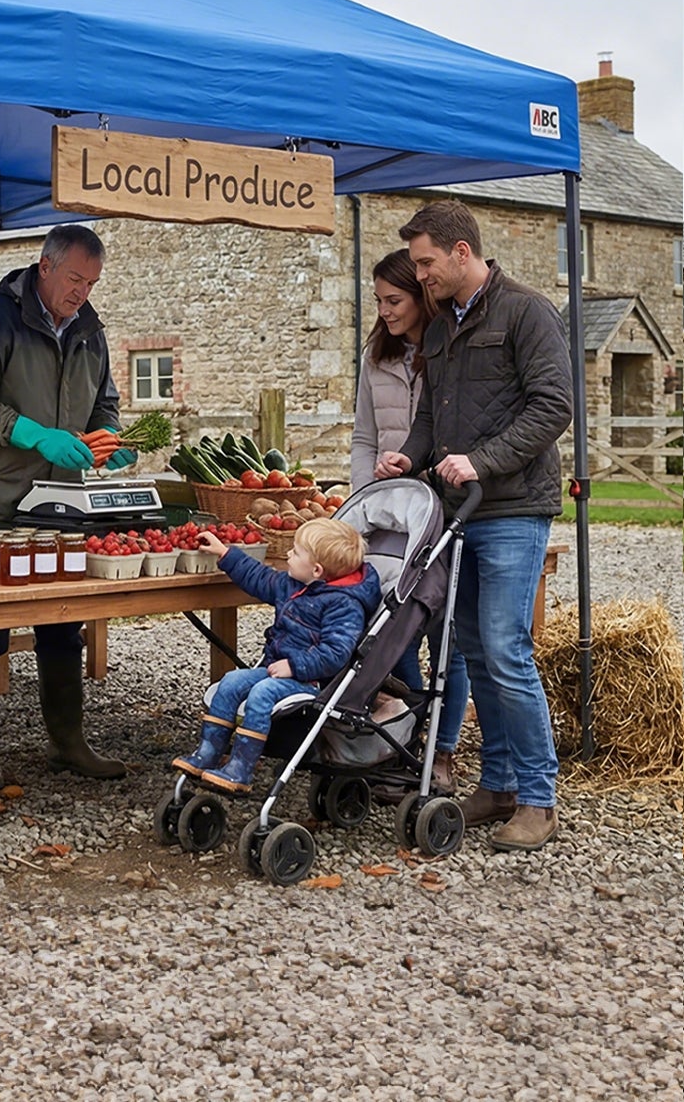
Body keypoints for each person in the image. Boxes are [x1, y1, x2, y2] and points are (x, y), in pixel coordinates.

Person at [375, 198, 572, 852]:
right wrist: (414, 454)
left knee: (506, 647)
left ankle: (540, 800)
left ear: (463, 252)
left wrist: (480, 461)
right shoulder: (439, 327)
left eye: (427, 262)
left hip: (514, 508)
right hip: (455, 514)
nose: (419, 274)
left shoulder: (527, 311)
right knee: (474, 649)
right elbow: (434, 414)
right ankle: (498, 785)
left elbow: (553, 406)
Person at [0, 223, 134, 788]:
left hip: (62, 500)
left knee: (64, 619)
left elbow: (105, 401)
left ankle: (68, 742)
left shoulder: (90, 330)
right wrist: (33, 433)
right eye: (75, 278)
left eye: (92, 282)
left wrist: (108, 439)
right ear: (45, 266)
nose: (83, 292)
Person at [350, 247, 469, 793]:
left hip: (444, 513)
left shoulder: (449, 352)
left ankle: (441, 752)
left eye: (393, 299)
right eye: (378, 301)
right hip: (391, 515)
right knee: (392, 627)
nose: (385, 311)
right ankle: (402, 739)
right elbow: (364, 438)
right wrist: (359, 510)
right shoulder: (376, 358)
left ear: (422, 296)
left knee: (448, 637)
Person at [173, 518, 380, 793]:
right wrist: (225, 553)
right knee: (232, 681)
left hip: (311, 681)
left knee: (262, 693)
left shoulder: (344, 605)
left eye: (295, 552)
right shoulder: (294, 584)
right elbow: (259, 577)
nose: (288, 555)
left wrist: (295, 666)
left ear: (317, 570)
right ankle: (208, 752)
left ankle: (241, 768)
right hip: (276, 668)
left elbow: (336, 653)